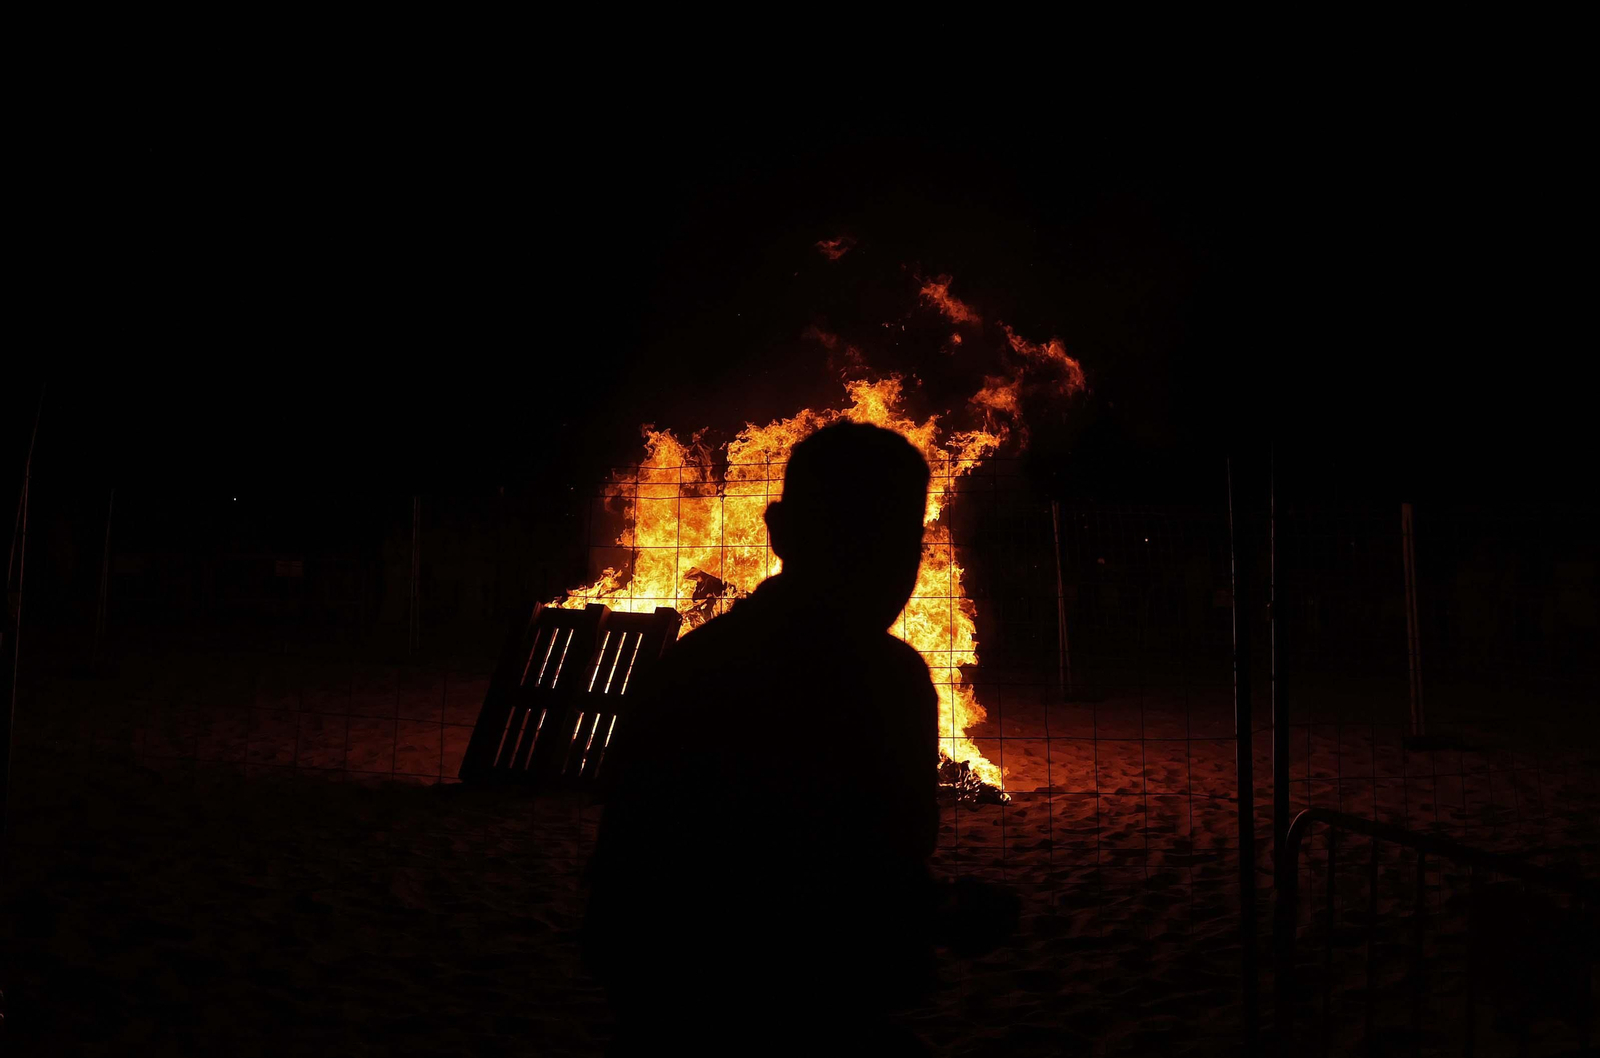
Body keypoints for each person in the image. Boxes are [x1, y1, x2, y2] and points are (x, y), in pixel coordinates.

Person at [583, 422, 947, 1055]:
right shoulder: (888, 683)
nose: (880, 570)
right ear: (781, 533)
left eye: (897, 542)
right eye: (852, 538)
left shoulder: (693, 667)